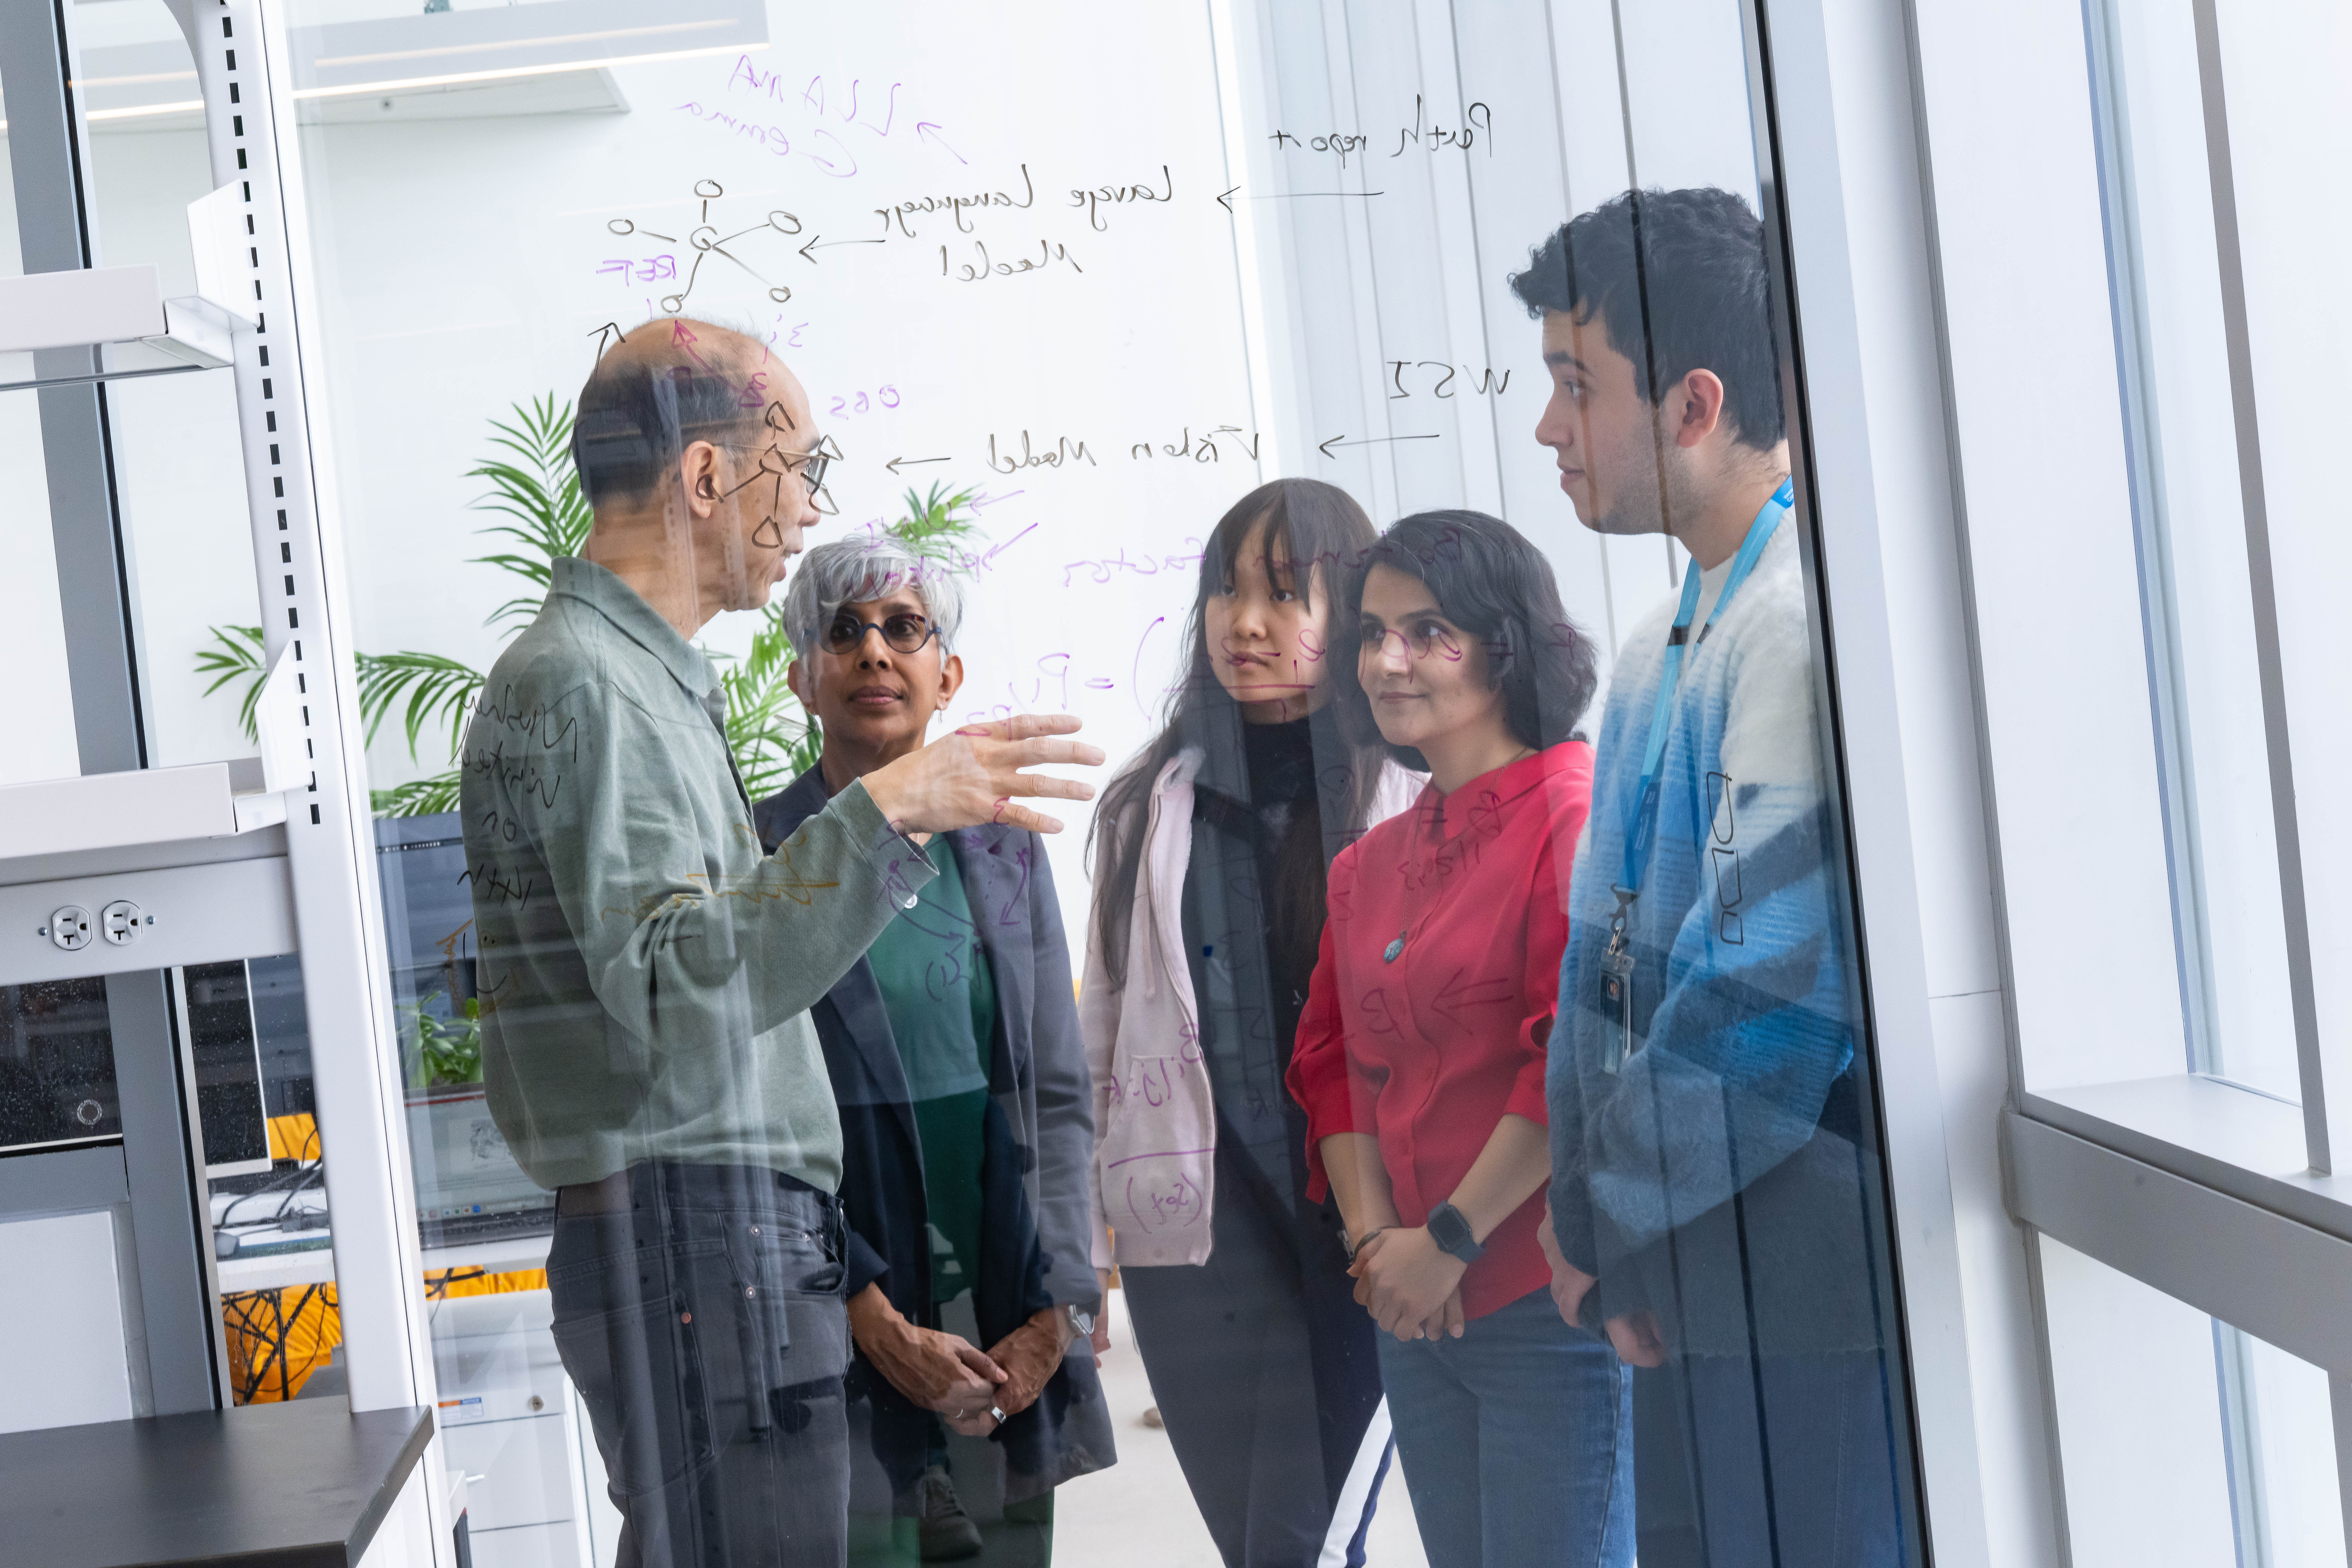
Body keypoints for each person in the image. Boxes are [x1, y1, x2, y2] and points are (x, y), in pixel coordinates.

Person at [457, 318, 1102, 1568]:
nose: (808, 508)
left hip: (708, 1246)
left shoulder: (628, 681)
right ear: (707, 476)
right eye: (797, 464)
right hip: (704, 1242)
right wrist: (892, 807)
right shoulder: (596, 685)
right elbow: (677, 980)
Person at [1518, 188, 1906, 1566]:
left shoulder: (1796, 622)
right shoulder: (1663, 638)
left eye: (1578, 384)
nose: (1552, 426)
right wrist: (1612, 1234)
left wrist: (1596, 1217)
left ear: (1692, 403)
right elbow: (1598, 973)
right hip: (1696, 1258)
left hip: (1802, 1279)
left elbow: (1768, 996)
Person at [753, 537, 1113, 1564]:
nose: (875, 652)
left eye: (904, 629)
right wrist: (866, 1312)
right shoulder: (761, 855)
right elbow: (763, 1124)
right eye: (843, 630)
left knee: (1005, 1547)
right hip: (843, 1276)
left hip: (1001, 1259)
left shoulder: (1004, 846)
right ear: (801, 676)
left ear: (944, 673)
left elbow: (1055, 1089)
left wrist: (1057, 1304)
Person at [1285, 510, 1631, 1568]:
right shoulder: (1370, 861)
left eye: (1429, 630)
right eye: (1375, 631)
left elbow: (1573, 1056)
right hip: (1412, 1306)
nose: (1391, 659)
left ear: (1505, 644)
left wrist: (1449, 1244)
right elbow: (1331, 1066)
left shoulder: (1576, 813)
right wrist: (1379, 1246)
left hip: (1542, 1300)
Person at [1080, 479, 1415, 1567]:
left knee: (1304, 1541)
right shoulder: (1155, 801)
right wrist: (1080, 1249)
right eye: (1227, 590)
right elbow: (1102, 1027)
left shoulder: (1403, 797)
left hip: (1356, 1221)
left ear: (1352, 611)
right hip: (1200, 1242)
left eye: (1285, 592)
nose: (1248, 622)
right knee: (1261, 1543)